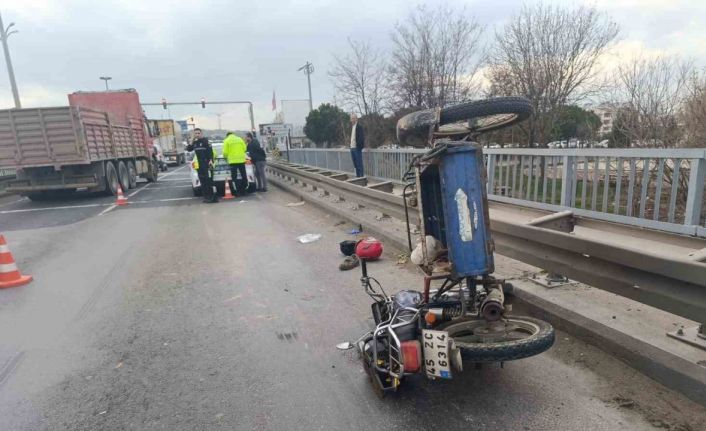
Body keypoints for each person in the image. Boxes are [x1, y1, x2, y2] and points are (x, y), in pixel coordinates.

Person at [186, 128, 218, 203]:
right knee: (202, 181)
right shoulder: (195, 142)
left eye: (198, 133)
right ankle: (206, 197)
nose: (197, 134)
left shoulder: (206, 141)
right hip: (199, 165)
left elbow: (210, 152)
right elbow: (189, 149)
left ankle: (212, 197)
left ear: (201, 133)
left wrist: (210, 160)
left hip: (206, 163)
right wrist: (191, 142)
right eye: (195, 133)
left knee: (208, 181)